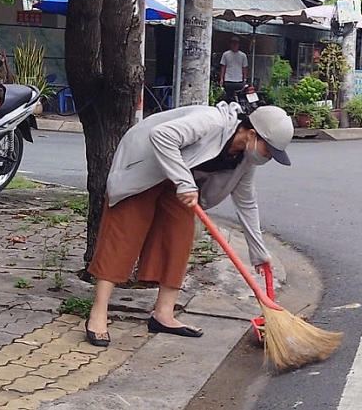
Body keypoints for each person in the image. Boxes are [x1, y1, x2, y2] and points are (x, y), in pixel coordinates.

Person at [84, 104, 293, 347]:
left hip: (180, 181)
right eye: (269, 151)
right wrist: (185, 183)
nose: (268, 157)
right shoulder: (211, 121)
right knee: (123, 235)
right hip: (145, 165)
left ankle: (163, 314)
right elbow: (161, 135)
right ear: (253, 134)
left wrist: (259, 252)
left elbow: (247, 204)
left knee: (179, 237)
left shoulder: (245, 161)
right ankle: (97, 315)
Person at [219, 37, 249, 102]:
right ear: (231, 44)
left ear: (238, 44)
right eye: (233, 43)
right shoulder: (226, 54)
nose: (234, 45)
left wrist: (245, 79)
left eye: (236, 43)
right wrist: (221, 78)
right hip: (228, 80)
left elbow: (244, 68)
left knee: (239, 97)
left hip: (239, 81)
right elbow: (223, 66)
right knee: (228, 98)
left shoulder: (243, 55)